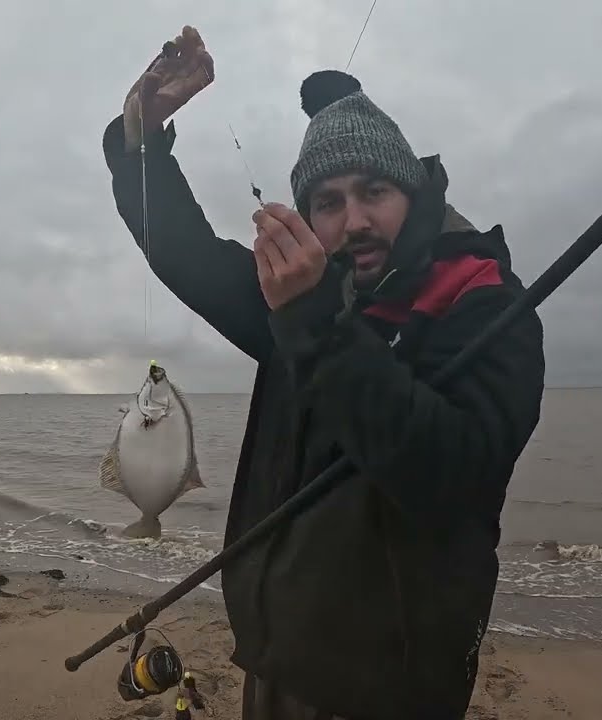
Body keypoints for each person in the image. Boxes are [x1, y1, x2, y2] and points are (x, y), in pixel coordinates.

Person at [101, 26, 546, 720]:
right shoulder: (298, 298)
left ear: (413, 191)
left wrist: (312, 324)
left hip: (392, 689)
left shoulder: (483, 303)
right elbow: (183, 250)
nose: (355, 220)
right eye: (328, 203)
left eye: (374, 191)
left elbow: (455, 473)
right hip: (276, 658)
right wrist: (142, 140)